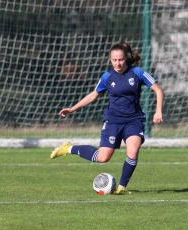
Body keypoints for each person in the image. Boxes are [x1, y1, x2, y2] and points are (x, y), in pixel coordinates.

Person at [50, 42, 164, 194]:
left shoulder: (138, 73)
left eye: (121, 60)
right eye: (114, 60)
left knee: (133, 151)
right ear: (110, 60)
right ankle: (68, 148)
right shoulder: (107, 77)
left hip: (133, 120)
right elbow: (93, 95)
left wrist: (158, 111)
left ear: (126, 58)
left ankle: (121, 188)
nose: (118, 63)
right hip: (113, 121)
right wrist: (72, 109)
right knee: (103, 158)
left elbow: (158, 90)